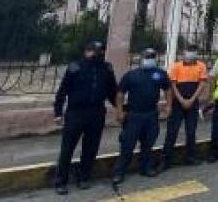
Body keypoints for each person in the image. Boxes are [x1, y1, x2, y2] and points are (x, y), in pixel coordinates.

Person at [53, 41, 118, 195]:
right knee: (67, 148)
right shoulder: (75, 67)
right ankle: (61, 181)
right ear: (86, 51)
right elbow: (62, 91)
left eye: (100, 51)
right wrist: (58, 112)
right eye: (94, 51)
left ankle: (84, 177)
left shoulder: (106, 69)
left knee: (90, 149)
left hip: (96, 113)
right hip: (76, 113)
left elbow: (112, 92)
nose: (97, 54)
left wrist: (121, 109)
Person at [112, 48, 171, 185]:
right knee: (127, 145)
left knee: (148, 144)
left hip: (151, 114)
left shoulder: (160, 74)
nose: (149, 58)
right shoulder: (131, 75)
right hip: (134, 115)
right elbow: (120, 93)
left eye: (151, 56)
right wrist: (119, 111)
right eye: (146, 56)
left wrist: (168, 106)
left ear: (155, 58)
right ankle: (119, 173)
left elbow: (168, 89)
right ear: (141, 58)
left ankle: (146, 168)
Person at [161, 44, 207, 169]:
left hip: (193, 103)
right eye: (189, 51)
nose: (191, 53)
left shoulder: (201, 66)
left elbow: (202, 84)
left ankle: (190, 157)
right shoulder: (176, 66)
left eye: (193, 51)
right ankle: (166, 160)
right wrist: (181, 100)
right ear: (183, 52)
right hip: (177, 104)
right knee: (172, 132)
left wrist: (191, 100)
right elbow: (173, 85)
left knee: (191, 132)